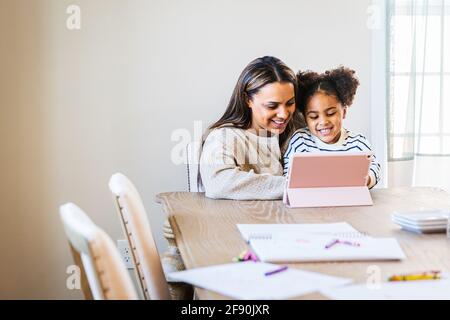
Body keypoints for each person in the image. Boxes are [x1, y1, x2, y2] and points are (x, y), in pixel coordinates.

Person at [199, 56, 304, 200]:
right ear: (247, 100)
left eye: (290, 103)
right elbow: (218, 183)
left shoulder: (299, 130)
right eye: (272, 106)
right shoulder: (223, 137)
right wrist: (297, 186)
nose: (284, 114)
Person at [283, 66, 381, 188]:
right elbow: (288, 175)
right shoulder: (301, 141)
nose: (323, 122)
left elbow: (375, 167)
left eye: (330, 113)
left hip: (348, 201)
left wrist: (367, 179)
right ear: (305, 118)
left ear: (344, 112)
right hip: (310, 201)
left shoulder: (357, 143)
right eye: (314, 116)